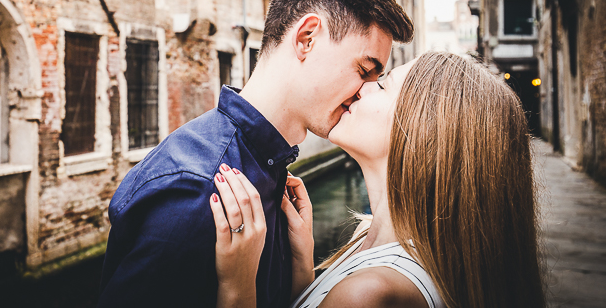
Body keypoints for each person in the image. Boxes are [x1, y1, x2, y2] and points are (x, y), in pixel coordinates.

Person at [97, 0, 414, 307]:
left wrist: (299, 277)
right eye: (364, 70)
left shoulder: (271, 175)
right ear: (307, 38)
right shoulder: (199, 191)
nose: (365, 92)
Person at [211, 51, 547, 308]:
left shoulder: (368, 294)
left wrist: (237, 286)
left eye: (383, 85)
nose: (362, 87)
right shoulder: (368, 236)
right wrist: (304, 265)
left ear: (423, 131)